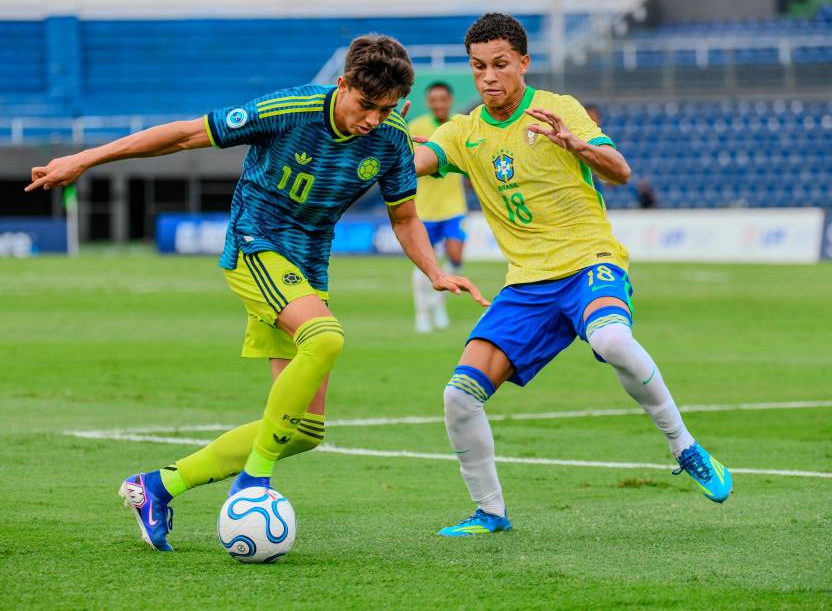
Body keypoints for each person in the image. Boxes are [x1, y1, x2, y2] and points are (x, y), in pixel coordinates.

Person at [26, 35, 488, 551]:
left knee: (304, 429)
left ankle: (156, 487)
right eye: (365, 105)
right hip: (256, 243)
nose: (373, 120)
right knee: (326, 338)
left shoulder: (391, 139)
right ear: (342, 84)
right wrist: (84, 160)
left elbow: (404, 216)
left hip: (309, 266)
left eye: (385, 109)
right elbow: (182, 136)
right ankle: (254, 480)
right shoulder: (290, 109)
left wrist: (434, 272)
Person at [413, 13, 732, 537]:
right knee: (458, 395)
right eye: (478, 67)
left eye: (499, 65)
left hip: (589, 262)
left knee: (611, 339)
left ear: (523, 63)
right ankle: (490, 512)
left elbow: (619, 170)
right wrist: (385, 143)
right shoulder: (464, 132)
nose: (488, 77)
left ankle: (686, 448)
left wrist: (576, 145)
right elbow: (415, 163)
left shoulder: (557, 108)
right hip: (526, 284)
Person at [407, 81, 468, 332]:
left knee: (455, 256)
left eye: (443, 99)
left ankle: (438, 303)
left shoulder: (460, 126)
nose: (439, 103)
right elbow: (409, 163)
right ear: (428, 102)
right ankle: (421, 314)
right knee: (424, 263)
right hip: (425, 210)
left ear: (450, 100)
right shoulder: (417, 127)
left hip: (453, 206)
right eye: (434, 99)